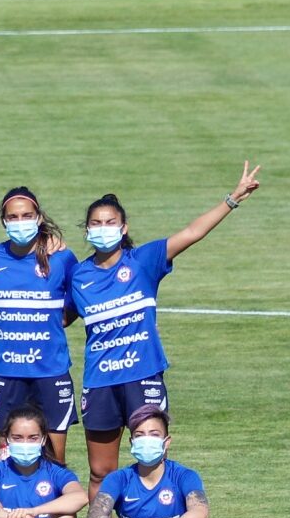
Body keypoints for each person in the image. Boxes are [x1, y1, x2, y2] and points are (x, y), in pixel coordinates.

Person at [70, 164, 263, 493]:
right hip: (100, 381)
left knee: (152, 461)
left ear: (124, 227)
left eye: (110, 223)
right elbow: (57, 315)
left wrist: (232, 199)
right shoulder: (77, 275)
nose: (103, 229)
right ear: (87, 230)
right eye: (96, 224)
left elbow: (191, 233)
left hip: (142, 375)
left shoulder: (143, 261)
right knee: (101, 471)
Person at [0, 187, 77, 466]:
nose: (20, 221)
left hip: (51, 370)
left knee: (55, 457)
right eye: (13, 216)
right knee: (7, 454)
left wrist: (57, 323)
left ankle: (55, 508)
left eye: (26, 215)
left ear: (38, 217)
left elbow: (78, 298)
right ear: (4, 221)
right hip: (7, 370)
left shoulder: (62, 258)